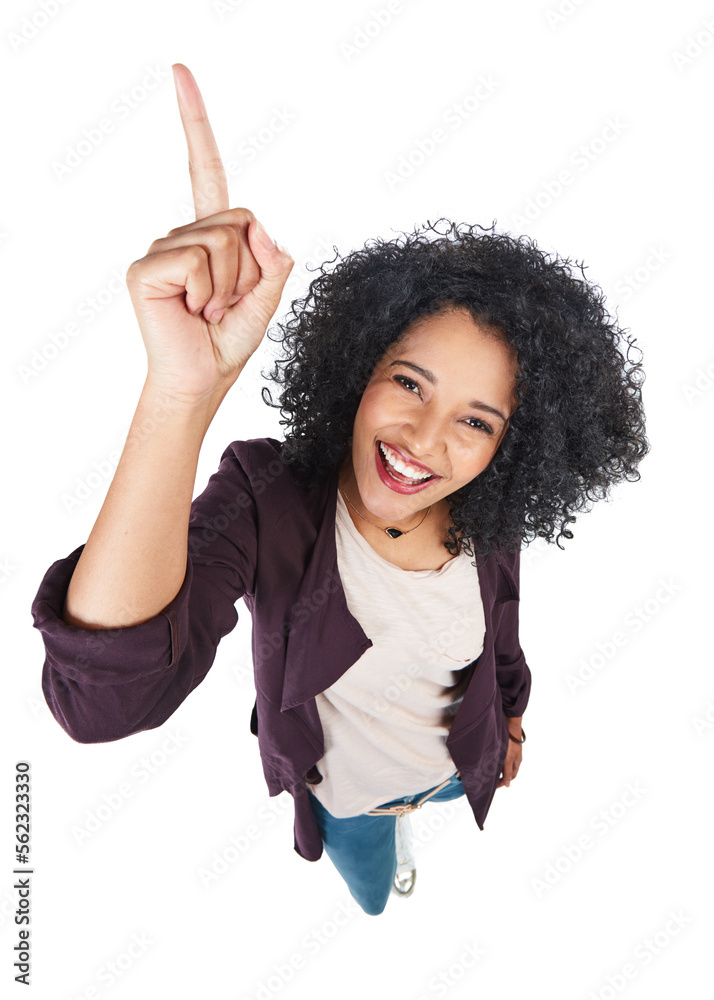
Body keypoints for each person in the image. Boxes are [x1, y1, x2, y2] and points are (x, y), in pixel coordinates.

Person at [30, 63, 649, 917]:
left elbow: (498, 636)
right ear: (358, 371)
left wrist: (508, 718)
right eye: (409, 382)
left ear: (512, 448)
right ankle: (381, 877)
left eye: (477, 422)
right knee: (369, 894)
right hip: (346, 803)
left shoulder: (489, 521)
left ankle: (422, 826)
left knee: (438, 802)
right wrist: (180, 394)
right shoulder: (270, 498)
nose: (425, 440)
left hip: (457, 771)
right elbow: (102, 703)